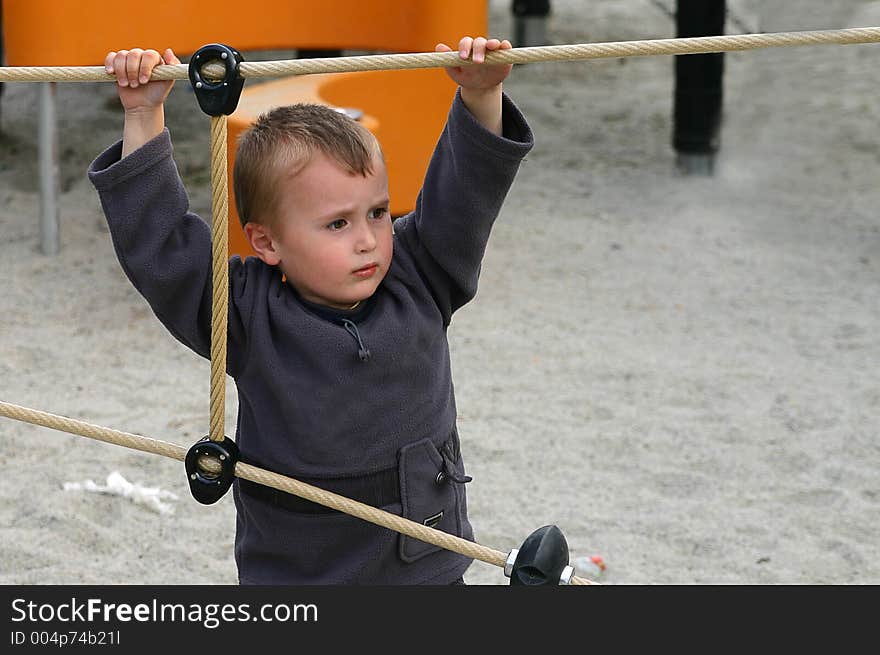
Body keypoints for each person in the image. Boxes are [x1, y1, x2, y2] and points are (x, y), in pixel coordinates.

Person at [88, 36, 534, 585]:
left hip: (424, 565)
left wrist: (481, 97)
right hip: (300, 577)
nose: (370, 239)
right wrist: (142, 112)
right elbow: (162, 248)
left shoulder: (421, 274)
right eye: (337, 223)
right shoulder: (248, 313)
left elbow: (466, 194)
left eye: (376, 212)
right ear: (268, 242)